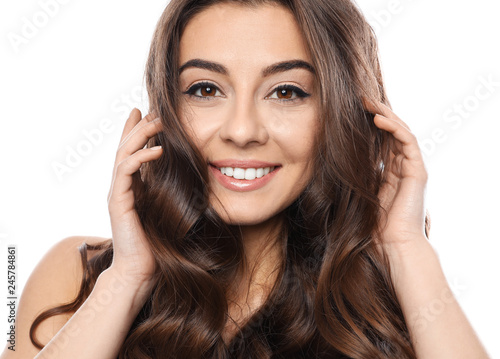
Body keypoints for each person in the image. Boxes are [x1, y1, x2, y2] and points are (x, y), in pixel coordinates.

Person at [2, 0, 489, 358]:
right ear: (166, 111)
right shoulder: (83, 275)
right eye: (206, 89)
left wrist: (407, 250)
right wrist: (129, 278)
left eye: (286, 92)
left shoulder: (397, 300)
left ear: (342, 113)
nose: (241, 131)